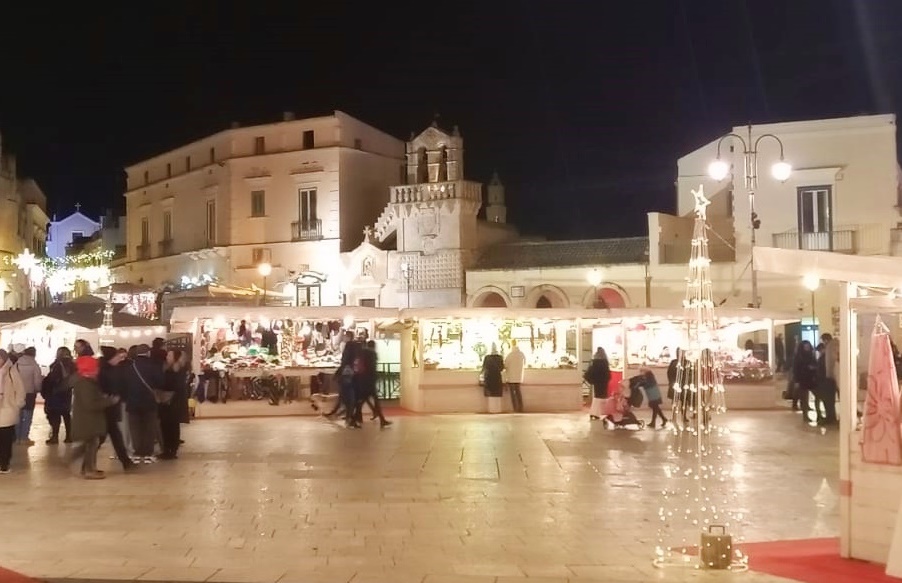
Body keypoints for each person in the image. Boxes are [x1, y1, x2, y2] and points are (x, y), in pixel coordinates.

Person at [70, 355, 117, 479]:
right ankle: (88, 470)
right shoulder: (85, 384)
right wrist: (109, 401)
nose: (97, 370)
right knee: (90, 446)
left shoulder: (86, 382)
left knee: (91, 444)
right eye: (95, 367)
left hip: (88, 420)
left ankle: (89, 468)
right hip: (87, 420)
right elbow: (90, 404)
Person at [124, 344, 165, 463]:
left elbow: (123, 384)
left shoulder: (129, 366)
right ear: (148, 353)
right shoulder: (153, 365)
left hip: (132, 402)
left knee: (135, 428)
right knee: (149, 428)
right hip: (149, 401)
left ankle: (137, 453)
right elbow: (160, 382)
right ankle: (148, 453)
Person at [98, 347, 136, 471]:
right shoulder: (103, 370)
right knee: (104, 436)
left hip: (111, 406)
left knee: (114, 434)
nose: (119, 359)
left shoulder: (112, 369)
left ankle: (126, 461)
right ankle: (83, 459)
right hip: (105, 407)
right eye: (116, 357)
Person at [159, 349, 189, 459]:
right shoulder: (169, 369)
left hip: (173, 402)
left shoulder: (177, 370)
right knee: (166, 426)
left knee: (172, 426)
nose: (167, 356)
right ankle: (168, 449)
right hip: (168, 402)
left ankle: (171, 450)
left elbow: (175, 386)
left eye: (170, 355)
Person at [0, 349, 25, 473]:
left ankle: (4, 463)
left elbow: (20, 389)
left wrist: (17, 404)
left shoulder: (11, 371)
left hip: (7, 409)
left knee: (5, 438)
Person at [43, 347, 75, 444]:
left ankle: (55, 437)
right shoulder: (72, 364)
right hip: (67, 392)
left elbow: (53, 379)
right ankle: (69, 436)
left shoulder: (58, 364)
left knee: (55, 414)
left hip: (56, 392)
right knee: (66, 414)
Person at [356, 340, 391, 427]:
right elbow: (372, 367)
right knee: (372, 400)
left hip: (363, 380)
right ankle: (381, 419)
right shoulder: (372, 354)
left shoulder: (363, 353)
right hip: (370, 381)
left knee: (363, 400)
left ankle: (357, 417)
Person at [14, 346, 42, 446]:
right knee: (28, 415)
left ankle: (16, 437)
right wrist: (38, 389)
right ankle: (24, 438)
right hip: (30, 393)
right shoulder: (35, 365)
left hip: (17, 392)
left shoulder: (16, 364)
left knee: (18, 415)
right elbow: (37, 381)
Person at [793, 340, 818, 424]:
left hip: (811, 379)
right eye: (805, 346)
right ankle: (805, 416)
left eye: (808, 346)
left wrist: (813, 368)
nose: (807, 348)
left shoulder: (811, 355)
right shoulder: (799, 357)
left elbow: (815, 364)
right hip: (802, 379)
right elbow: (796, 369)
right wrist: (796, 381)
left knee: (817, 395)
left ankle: (817, 414)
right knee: (804, 398)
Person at [584, 347, 611, 420]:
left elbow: (590, 372)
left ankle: (594, 412)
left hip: (597, 382)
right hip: (603, 382)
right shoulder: (605, 362)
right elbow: (608, 374)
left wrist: (592, 380)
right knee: (601, 397)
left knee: (597, 397)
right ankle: (598, 412)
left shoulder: (594, 361)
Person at [818, 333, 839, 425]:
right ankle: (831, 417)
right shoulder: (834, 347)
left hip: (828, 379)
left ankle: (830, 418)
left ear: (825, 340)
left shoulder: (830, 348)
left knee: (828, 400)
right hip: (831, 378)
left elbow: (828, 366)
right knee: (830, 401)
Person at [504, 340, 526, 413]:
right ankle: (521, 407)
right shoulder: (522, 354)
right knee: (518, 392)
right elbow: (525, 363)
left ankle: (515, 408)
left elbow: (505, 365)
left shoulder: (509, 355)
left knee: (513, 394)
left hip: (511, 377)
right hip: (519, 377)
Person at [481, 345, 505, 410]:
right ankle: (497, 409)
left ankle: (491, 409)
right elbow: (502, 368)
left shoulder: (487, 357)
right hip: (497, 377)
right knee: (497, 394)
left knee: (490, 394)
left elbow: (484, 367)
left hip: (489, 378)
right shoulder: (500, 357)